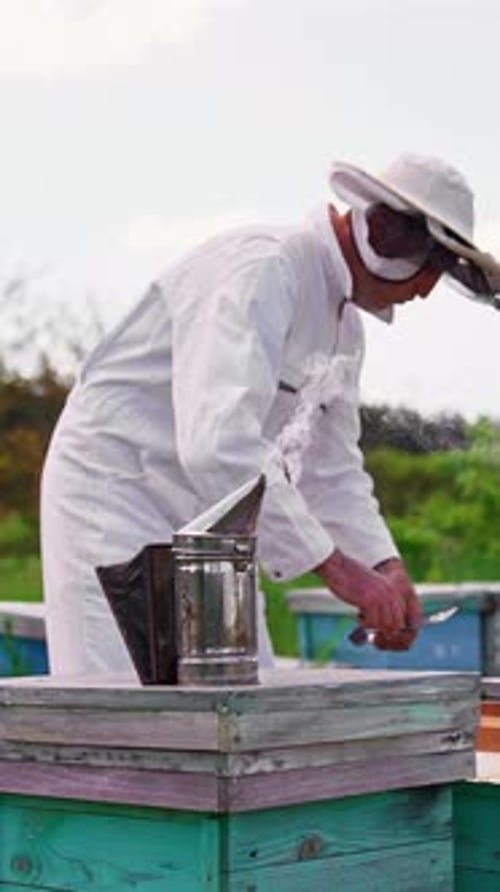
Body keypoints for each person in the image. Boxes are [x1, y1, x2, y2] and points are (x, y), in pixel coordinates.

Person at [41, 153, 500, 676]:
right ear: (387, 237)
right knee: (121, 710)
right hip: (117, 499)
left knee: (241, 699)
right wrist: (341, 571)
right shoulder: (263, 267)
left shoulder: (343, 326)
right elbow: (218, 445)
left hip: (215, 525)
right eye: (431, 270)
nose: (424, 291)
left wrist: (383, 566)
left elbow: (329, 467)